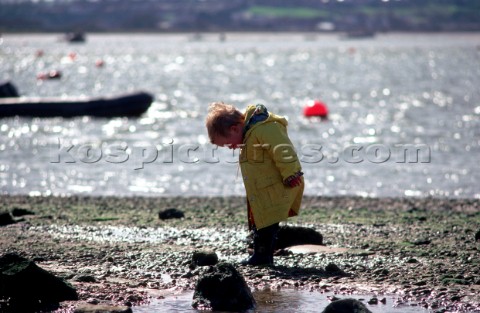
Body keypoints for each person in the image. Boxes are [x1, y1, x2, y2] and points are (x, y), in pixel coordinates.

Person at [206, 102, 304, 266]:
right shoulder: (249, 134)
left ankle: (263, 257)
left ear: (235, 129)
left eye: (229, 144)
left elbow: (283, 150)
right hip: (263, 189)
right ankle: (261, 254)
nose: (231, 148)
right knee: (262, 222)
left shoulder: (265, 129)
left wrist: (291, 172)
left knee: (267, 224)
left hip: (278, 185)